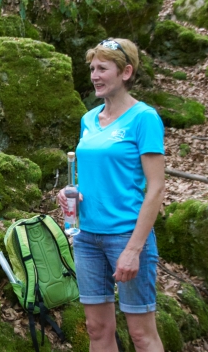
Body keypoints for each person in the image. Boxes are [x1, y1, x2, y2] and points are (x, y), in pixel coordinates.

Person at [58, 38, 165, 352]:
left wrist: (134, 249)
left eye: (103, 68)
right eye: (92, 68)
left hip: (127, 236)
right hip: (87, 237)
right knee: (96, 329)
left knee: (142, 335)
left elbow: (156, 188)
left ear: (126, 72)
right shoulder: (88, 119)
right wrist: (72, 195)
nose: (94, 75)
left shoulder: (144, 118)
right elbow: (90, 177)